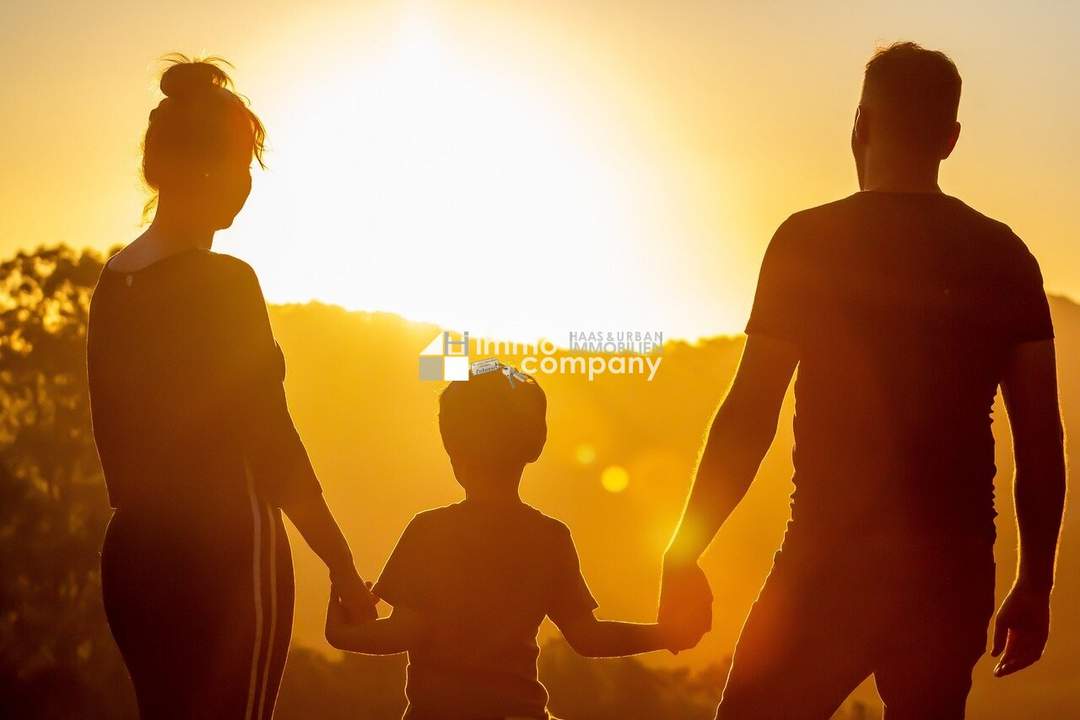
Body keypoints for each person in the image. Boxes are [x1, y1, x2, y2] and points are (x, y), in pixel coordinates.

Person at [659, 42, 1066, 719]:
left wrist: (684, 549)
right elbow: (1040, 441)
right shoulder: (1006, 254)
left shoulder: (808, 241)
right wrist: (1036, 583)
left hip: (825, 567)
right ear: (951, 139)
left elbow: (748, 413)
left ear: (861, 123)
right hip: (952, 573)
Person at [87, 56, 376, 719]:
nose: (248, 185)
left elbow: (116, 450)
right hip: (224, 558)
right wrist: (341, 563)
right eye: (245, 166)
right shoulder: (225, 282)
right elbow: (271, 442)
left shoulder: (114, 283)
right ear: (212, 171)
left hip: (133, 558)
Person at [325, 361, 706, 720]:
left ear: (450, 446)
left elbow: (403, 631)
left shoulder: (429, 531)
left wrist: (344, 634)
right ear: (536, 445)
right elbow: (589, 637)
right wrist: (667, 633)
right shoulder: (550, 537)